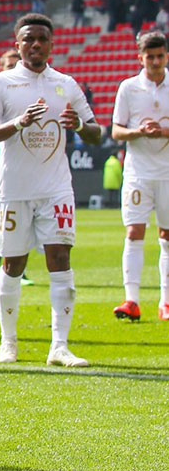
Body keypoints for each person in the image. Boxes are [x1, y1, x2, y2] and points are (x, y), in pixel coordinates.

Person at [0, 13, 102, 367]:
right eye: (28, 39)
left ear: (51, 44)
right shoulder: (1, 83)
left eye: (41, 40)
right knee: (13, 263)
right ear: (17, 44)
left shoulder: (65, 84)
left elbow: (95, 132)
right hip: (15, 189)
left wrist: (79, 125)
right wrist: (19, 122)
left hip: (56, 188)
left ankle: (59, 347)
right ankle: (9, 343)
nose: (35, 45)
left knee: (60, 260)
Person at [109, 31, 169, 321]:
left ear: (166, 56)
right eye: (150, 57)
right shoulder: (128, 88)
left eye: (160, 55)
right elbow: (116, 130)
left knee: (167, 236)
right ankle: (131, 300)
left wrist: (164, 131)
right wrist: (139, 132)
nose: (155, 61)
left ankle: (166, 301)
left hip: (168, 173)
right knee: (134, 232)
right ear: (140, 58)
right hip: (138, 173)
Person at [0, 50, 34, 287]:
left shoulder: (29, 92)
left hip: (23, 160)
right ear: (0, 68)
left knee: (24, 214)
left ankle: (18, 268)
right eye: (8, 65)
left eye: (15, 64)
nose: (12, 69)